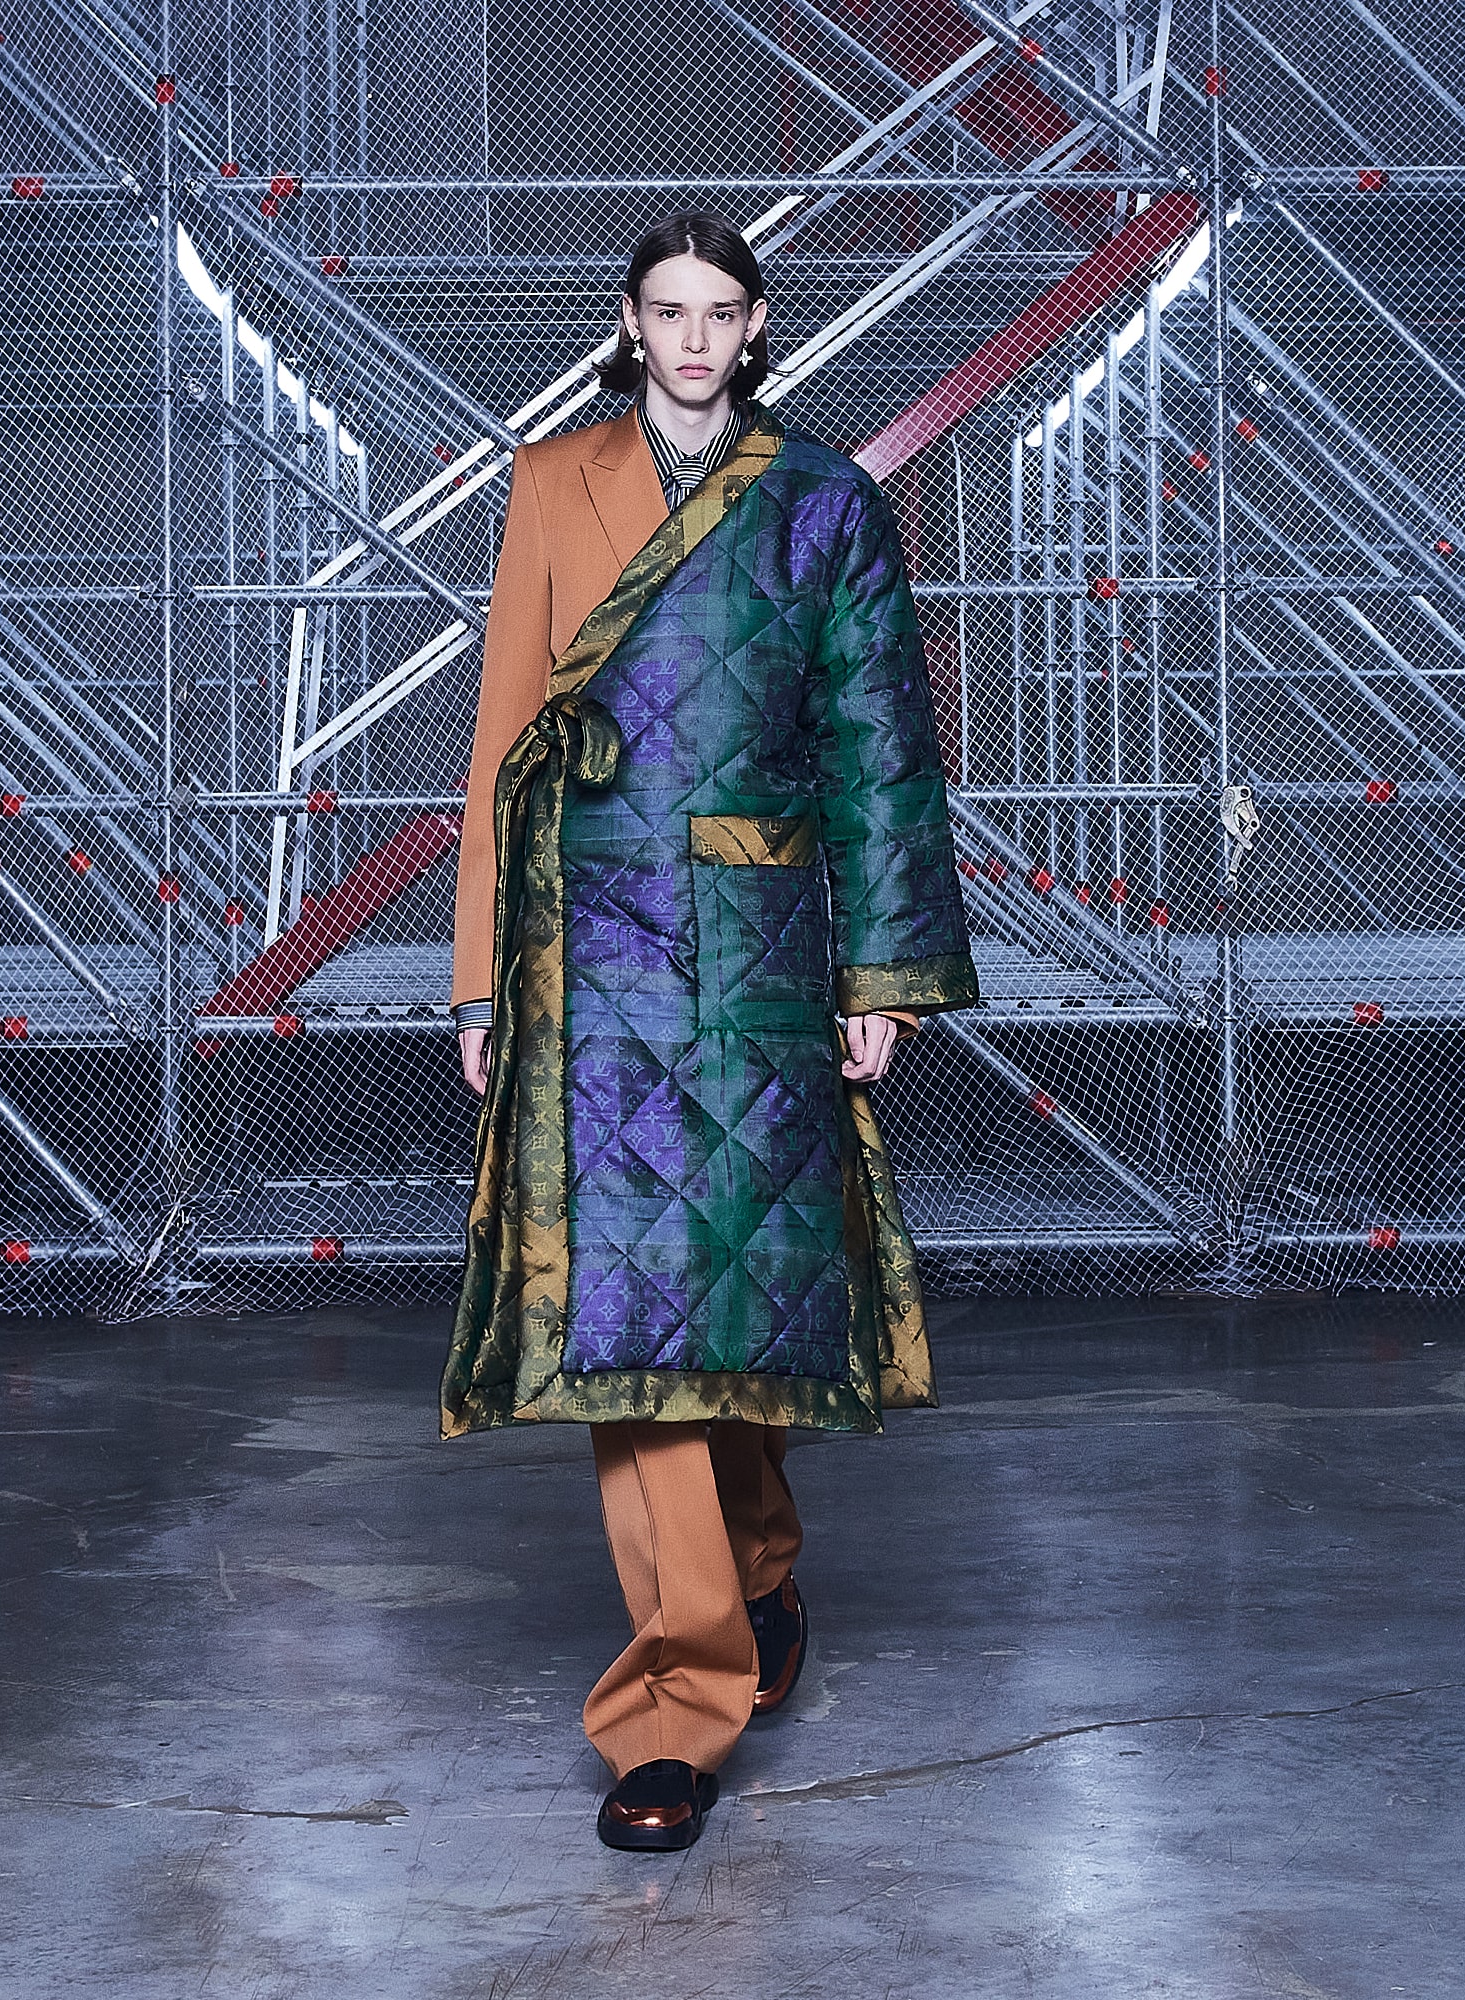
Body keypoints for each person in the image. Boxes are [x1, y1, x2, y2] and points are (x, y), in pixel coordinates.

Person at [443, 212, 978, 1851]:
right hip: (586, 950)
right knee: (627, 1322)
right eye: (665, 310)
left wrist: (881, 975)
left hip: (757, 950)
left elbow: (881, 746)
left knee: (736, 1291)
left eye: (719, 311)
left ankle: (755, 1566)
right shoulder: (551, 482)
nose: (690, 337)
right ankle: (671, 1713)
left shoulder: (825, 499)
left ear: (755, 327)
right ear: (630, 323)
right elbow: (504, 741)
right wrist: (479, 977)